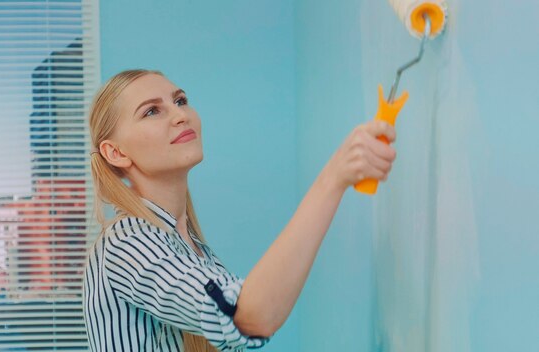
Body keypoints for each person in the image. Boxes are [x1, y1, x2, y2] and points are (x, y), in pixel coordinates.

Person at [83, 69, 396, 352]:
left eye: (181, 101)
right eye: (152, 111)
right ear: (116, 152)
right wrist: (333, 178)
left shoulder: (187, 244)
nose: (180, 115)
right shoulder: (126, 243)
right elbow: (250, 317)